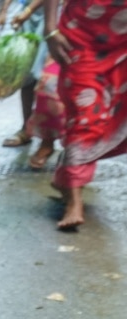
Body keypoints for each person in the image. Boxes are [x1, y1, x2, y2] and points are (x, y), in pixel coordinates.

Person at [42, 0, 127, 230]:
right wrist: (50, 28)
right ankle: (74, 200)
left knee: (116, 113)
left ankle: (67, 177)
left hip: (123, 42)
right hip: (80, 39)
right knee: (85, 115)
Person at [0, 0, 51, 150]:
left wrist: (28, 11)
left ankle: (48, 138)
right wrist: (4, 11)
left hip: (51, 14)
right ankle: (26, 128)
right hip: (26, 14)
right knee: (25, 74)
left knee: (47, 77)